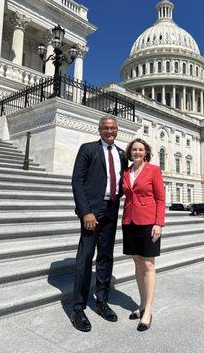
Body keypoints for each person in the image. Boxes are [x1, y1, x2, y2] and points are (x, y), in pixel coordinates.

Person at [71, 115, 127, 332]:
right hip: (92, 213)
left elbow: (121, 181)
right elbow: (77, 180)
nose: (109, 131)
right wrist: (86, 212)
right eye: (105, 128)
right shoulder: (88, 149)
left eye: (113, 128)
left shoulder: (121, 154)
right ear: (99, 129)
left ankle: (102, 301)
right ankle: (78, 308)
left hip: (111, 210)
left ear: (117, 130)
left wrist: (117, 197)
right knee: (85, 257)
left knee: (105, 256)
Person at [122, 138, 165, 331]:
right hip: (129, 221)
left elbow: (160, 198)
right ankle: (141, 304)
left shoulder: (153, 170)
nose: (137, 152)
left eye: (140, 149)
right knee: (137, 262)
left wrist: (158, 223)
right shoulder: (126, 171)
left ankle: (148, 309)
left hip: (148, 222)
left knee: (148, 264)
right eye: (134, 150)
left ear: (146, 152)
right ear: (130, 153)